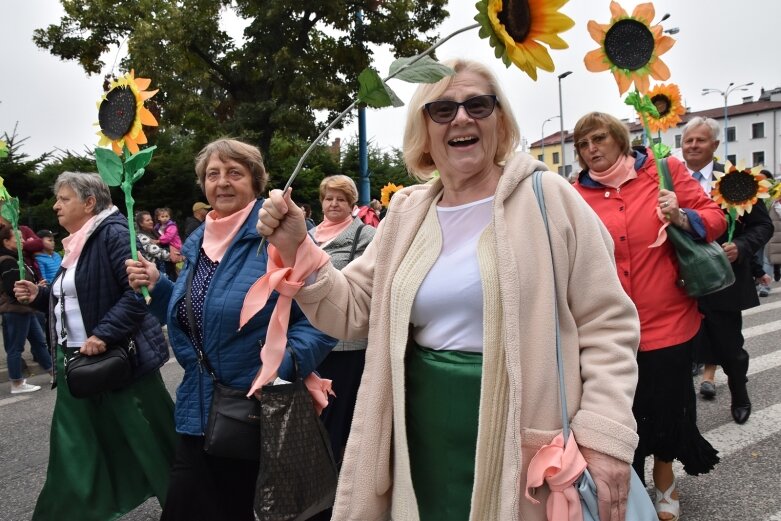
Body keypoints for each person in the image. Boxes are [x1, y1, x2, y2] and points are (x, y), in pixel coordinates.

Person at [258, 59, 642, 521]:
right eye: (443, 110)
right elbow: (355, 309)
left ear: (498, 119)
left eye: (478, 105)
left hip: (523, 435)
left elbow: (608, 323)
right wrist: (298, 247)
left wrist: (604, 437)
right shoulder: (407, 212)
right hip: (422, 436)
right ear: (426, 127)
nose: (462, 118)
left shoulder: (549, 197)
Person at [125, 138, 336, 521]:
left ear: (256, 182)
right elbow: (196, 313)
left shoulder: (283, 237)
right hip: (198, 408)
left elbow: (324, 320)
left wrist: (280, 366)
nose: (222, 182)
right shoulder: (198, 244)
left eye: (234, 173)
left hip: (258, 413)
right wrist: (159, 288)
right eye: (212, 174)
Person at [572, 111, 724, 521]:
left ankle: (665, 480)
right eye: (583, 145)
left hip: (669, 320)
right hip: (609, 330)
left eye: (599, 139)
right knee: (624, 414)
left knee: (669, 408)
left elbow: (714, 219)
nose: (592, 150)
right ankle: (632, 490)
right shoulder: (574, 194)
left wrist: (681, 215)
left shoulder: (664, 170)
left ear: (620, 139)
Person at [13, 171, 176, 521]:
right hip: (77, 362)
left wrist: (104, 333)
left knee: (152, 442)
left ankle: (189, 507)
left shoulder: (114, 234)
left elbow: (139, 293)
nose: (56, 205)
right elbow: (77, 297)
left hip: (119, 361)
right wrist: (39, 295)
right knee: (75, 447)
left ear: (89, 203)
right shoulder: (78, 241)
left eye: (64, 198)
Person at [681, 117, 773, 424]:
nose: (692, 146)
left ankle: (739, 393)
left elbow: (763, 225)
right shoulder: (669, 179)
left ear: (716, 146)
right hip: (680, 282)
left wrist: (742, 247)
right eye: (688, 140)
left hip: (724, 280)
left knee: (730, 346)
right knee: (680, 350)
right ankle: (679, 411)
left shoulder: (736, 179)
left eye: (700, 140)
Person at [306, 175, 376, 521]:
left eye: (340, 199)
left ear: (352, 204)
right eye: (328, 198)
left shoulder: (366, 237)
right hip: (307, 345)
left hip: (347, 347)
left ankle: (335, 499)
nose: (333, 204)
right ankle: (318, 488)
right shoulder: (306, 237)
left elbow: (364, 289)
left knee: (338, 423)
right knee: (312, 422)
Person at [0, 225, 52, 393]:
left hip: (25, 309)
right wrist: (36, 288)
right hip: (15, 309)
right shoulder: (7, 260)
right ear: (6, 241)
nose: (23, 241)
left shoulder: (15, 258)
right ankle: (16, 383)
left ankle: (54, 373)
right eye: (18, 238)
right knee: (16, 347)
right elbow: (12, 288)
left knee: (39, 342)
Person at [136, 210, 171, 275]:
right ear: (141, 223)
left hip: (166, 267)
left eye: (151, 220)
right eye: (147, 220)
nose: (151, 222)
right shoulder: (142, 237)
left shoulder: (154, 232)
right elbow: (158, 252)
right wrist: (174, 256)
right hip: (156, 271)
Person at [155, 207, 183, 280]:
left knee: (175, 260)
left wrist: (158, 241)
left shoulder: (172, 226)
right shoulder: (158, 226)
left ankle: (181, 274)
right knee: (172, 262)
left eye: (167, 216)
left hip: (174, 244)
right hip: (168, 245)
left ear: (169, 217)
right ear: (158, 218)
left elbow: (168, 236)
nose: (165, 218)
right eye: (162, 216)